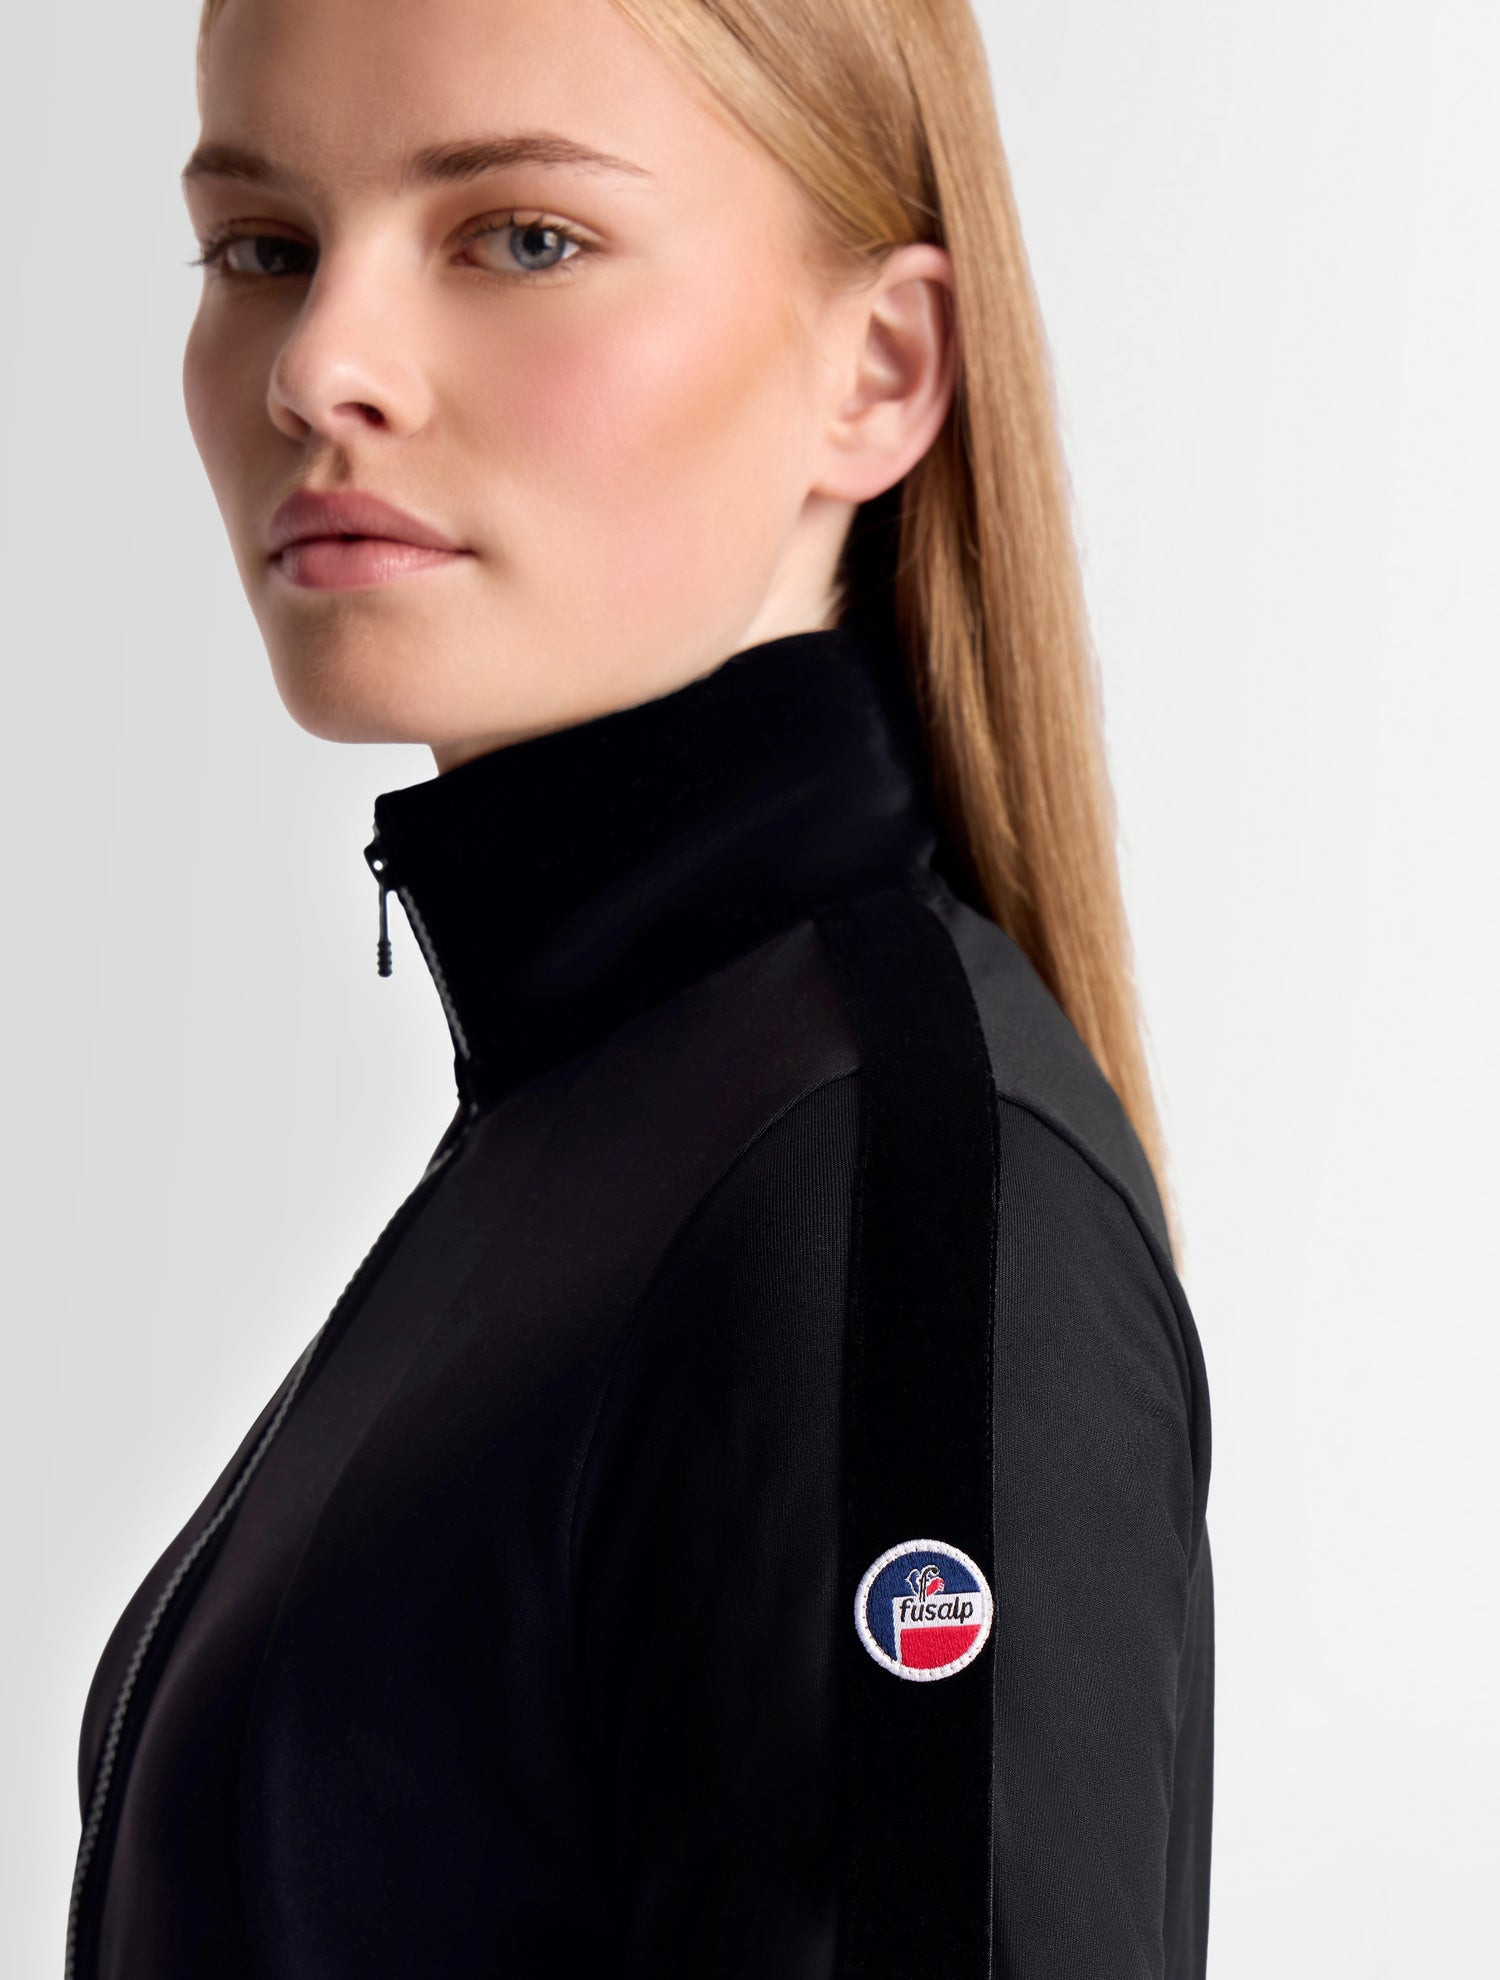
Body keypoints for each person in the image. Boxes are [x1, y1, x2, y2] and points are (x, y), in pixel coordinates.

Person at [67, 0, 1214, 1973]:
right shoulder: (610, 1122)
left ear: (880, 370)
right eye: (263, 246)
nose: (320, 366)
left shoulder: (865, 1191)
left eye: (523, 237)